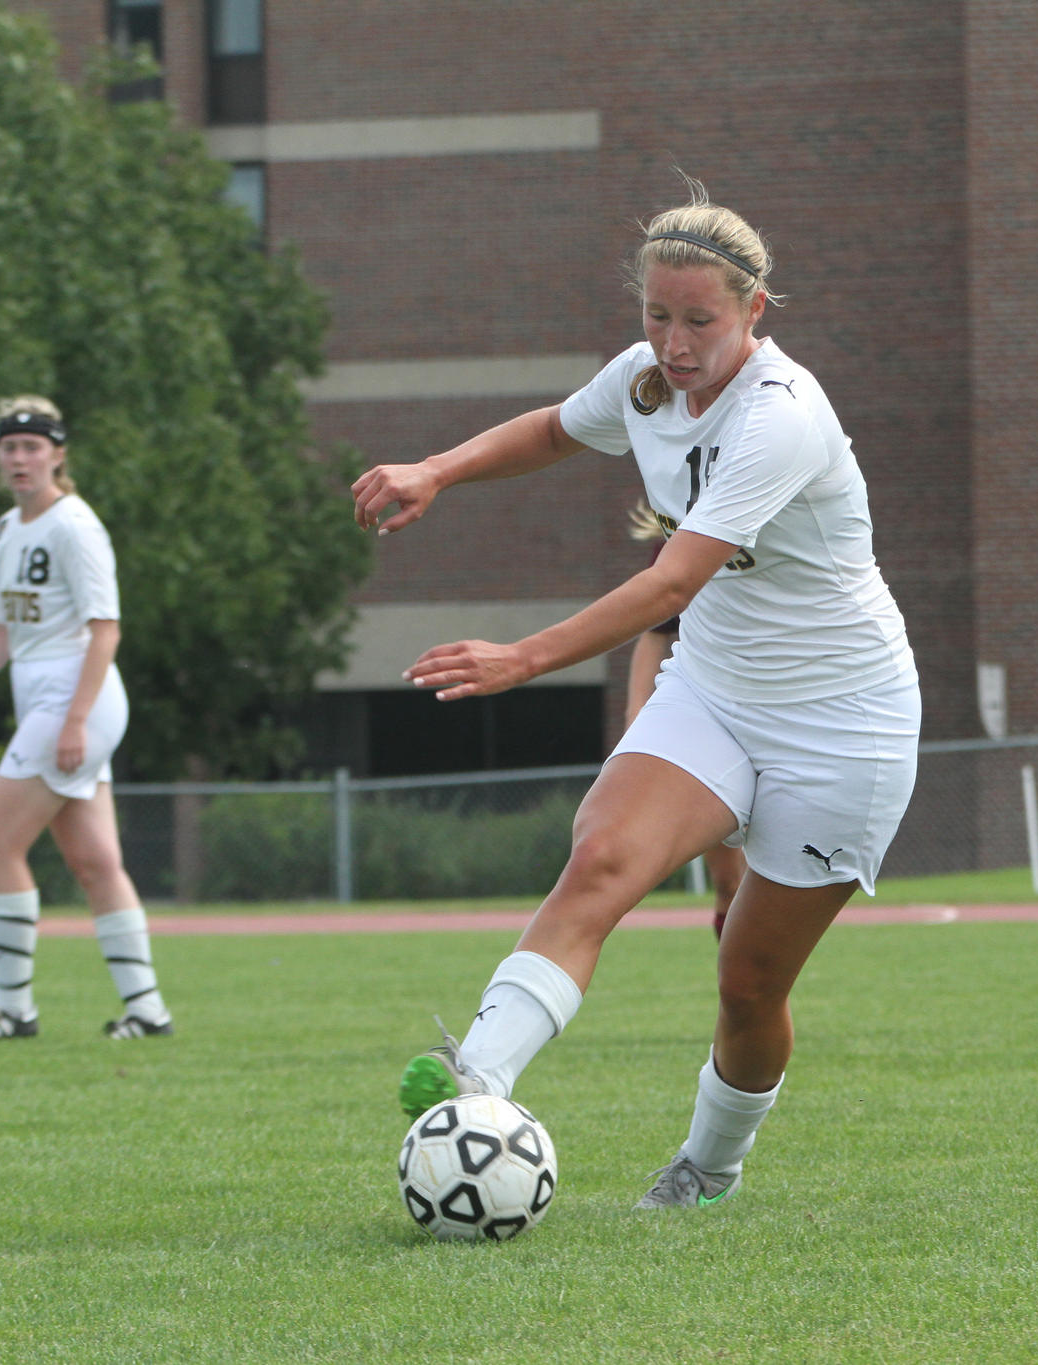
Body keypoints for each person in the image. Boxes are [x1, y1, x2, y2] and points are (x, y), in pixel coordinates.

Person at [351, 177, 919, 1209]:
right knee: (602, 856)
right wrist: (436, 468)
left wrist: (522, 659)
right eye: (656, 316)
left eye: (699, 319)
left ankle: (709, 1166)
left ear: (754, 310)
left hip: (843, 722)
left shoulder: (781, 418)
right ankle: (479, 1085)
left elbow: (668, 581)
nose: (674, 341)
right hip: (714, 687)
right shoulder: (648, 378)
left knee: (746, 982)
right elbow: (558, 430)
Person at [0, 396, 174, 1042]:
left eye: (32, 446)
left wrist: (73, 721)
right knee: (95, 861)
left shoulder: (74, 524)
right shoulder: (8, 528)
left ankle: (12, 1008)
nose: (19, 458)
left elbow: (105, 630)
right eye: (9, 447)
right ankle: (147, 1011)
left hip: (77, 702)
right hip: (55, 705)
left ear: (58, 454)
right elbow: (2, 628)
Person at [624, 498, 746, 939]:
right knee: (732, 882)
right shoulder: (676, 547)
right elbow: (655, 634)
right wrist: (637, 716)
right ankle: (736, 977)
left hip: (782, 714)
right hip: (713, 719)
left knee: (772, 879)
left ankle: (761, 988)